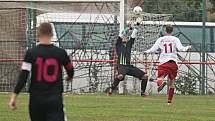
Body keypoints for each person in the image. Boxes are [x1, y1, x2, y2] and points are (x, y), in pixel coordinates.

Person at [9, 22, 74, 121]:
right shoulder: (60, 52)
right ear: (52, 34)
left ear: (38, 34)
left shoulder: (31, 53)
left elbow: (24, 76)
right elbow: (70, 69)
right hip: (54, 98)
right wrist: (69, 77)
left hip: (36, 99)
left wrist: (14, 96)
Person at [144, 25, 191, 105]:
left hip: (164, 62)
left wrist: (146, 51)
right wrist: (188, 47)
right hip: (173, 62)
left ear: (165, 30)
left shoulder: (161, 39)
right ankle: (169, 102)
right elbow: (181, 49)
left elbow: (153, 49)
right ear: (172, 31)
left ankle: (162, 84)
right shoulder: (175, 39)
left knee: (160, 78)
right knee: (172, 82)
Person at [107, 24, 149, 96]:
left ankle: (142, 92)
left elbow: (134, 35)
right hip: (122, 66)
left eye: (126, 37)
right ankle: (111, 89)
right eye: (124, 36)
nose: (125, 37)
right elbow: (122, 33)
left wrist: (137, 25)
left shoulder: (129, 44)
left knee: (145, 76)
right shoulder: (118, 45)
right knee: (120, 76)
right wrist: (129, 28)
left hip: (129, 66)